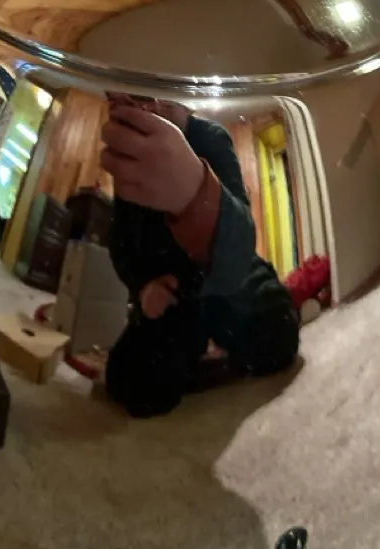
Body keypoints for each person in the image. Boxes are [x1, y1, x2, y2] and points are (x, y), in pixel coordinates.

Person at [102, 96, 300, 418]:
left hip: (227, 277)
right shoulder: (134, 152)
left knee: (278, 329)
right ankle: (203, 358)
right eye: (139, 99)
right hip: (172, 290)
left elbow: (242, 239)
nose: (153, 109)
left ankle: (210, 357)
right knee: (134, 382)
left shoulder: (211, 137)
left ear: (189, 103)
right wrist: (144, 286)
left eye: (166, 99)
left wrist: (195, 192)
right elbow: (122, 241)